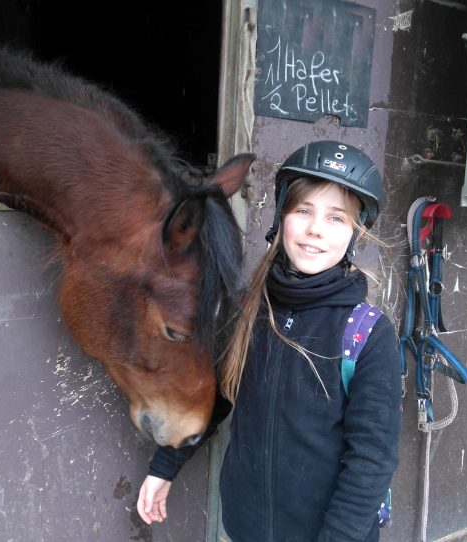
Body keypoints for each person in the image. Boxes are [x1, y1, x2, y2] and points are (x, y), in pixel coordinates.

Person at [137, 140, 402, 541]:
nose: (315, 229)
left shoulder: (366, 334)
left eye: (336, 218)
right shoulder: (249, 311)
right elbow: (217, 397)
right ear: (280, 218)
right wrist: (165, 466)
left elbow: (371, 461)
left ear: (355, 234)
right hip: (244, 529)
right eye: (303, 210)